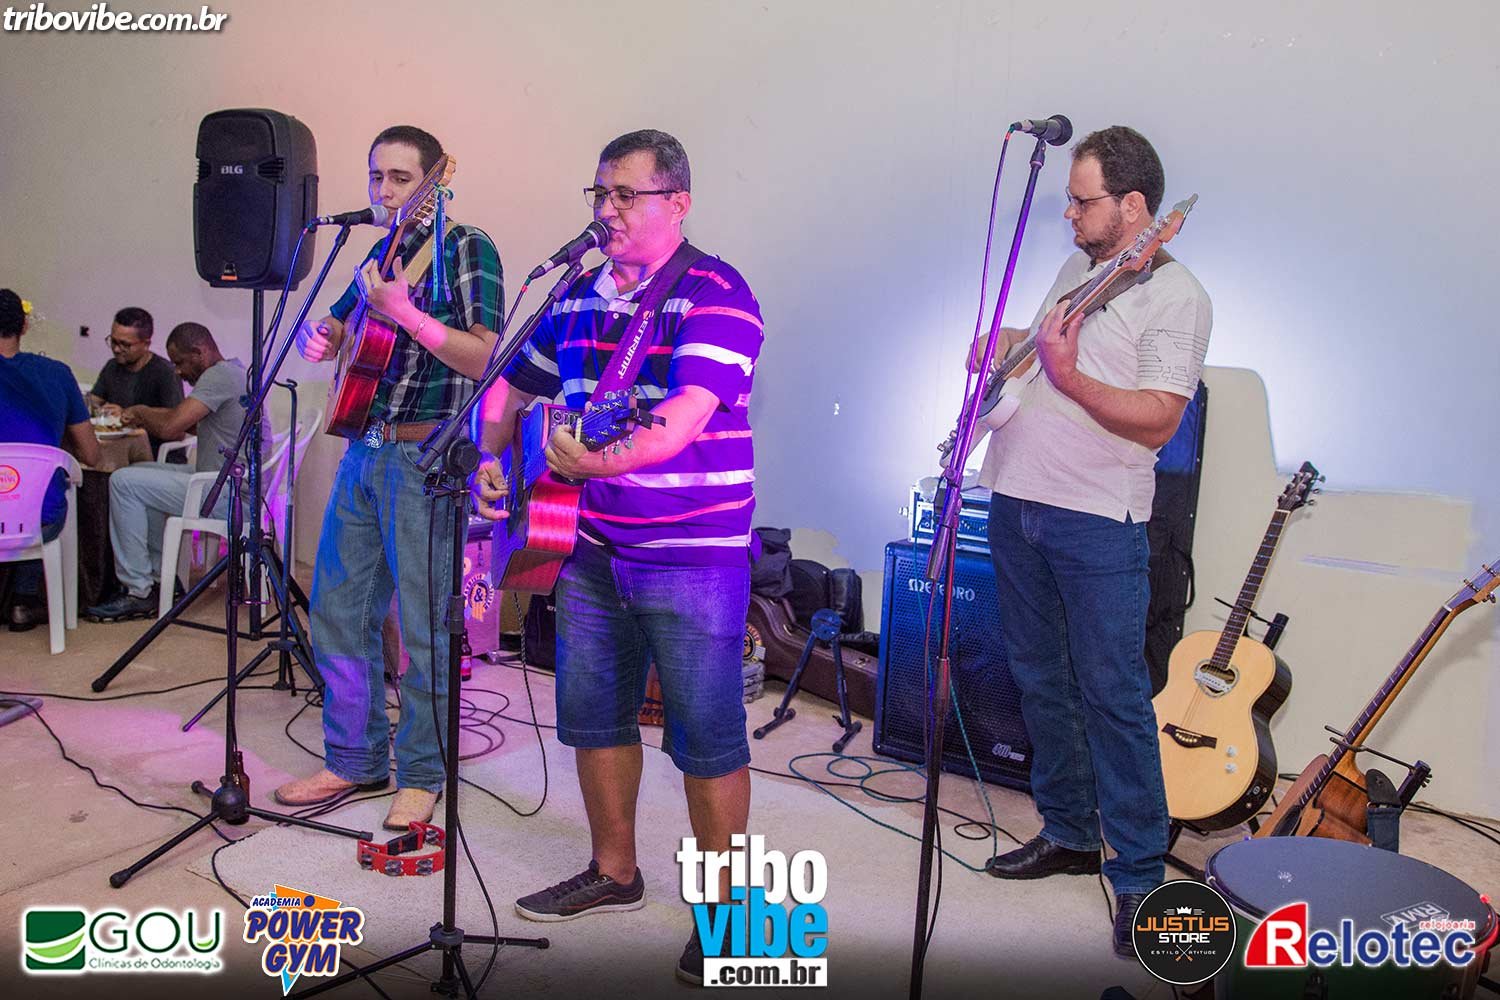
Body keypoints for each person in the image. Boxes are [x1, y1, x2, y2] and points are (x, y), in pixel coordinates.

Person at [473, 129, 764, 986]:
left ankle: (727, 916)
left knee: (707, 735)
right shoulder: (573, 295)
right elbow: (509, 385)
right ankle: (614, 871)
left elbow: (680, 420)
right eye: (599, 194)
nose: (606, 210)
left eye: (625, 195)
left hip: (693, 552)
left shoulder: (718, 293)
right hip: (587, 541)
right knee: (594, 715)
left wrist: (591, 461)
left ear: (678, 203)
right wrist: (491, 455)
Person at [974, 126, 1211, 957]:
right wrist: (1008, 347)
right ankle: (1070, 832)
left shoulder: (1177, 296)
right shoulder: (1079, 268)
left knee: (1114, 697)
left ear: (1134, 205)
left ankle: (1140, 875)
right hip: (1018, 500)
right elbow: (1046, 356)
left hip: (1098, 520)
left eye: (1083, 202)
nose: (1070, 215)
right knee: (1040, 681)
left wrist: (1069, 375)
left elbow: (1159, 418)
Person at [274, 125, 504, 833]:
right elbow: (341, 328)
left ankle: (424, 774)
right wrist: (326, 336)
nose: (383, 190)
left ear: (436, 179)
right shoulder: (378, 255)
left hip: (424, 457)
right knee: (338, 610)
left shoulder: (467, 247)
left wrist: (406, 314)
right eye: (376, 176)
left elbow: (485, 356)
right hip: (363, 452)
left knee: (426, 627)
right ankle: (355, 758)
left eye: (400, 178)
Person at [83, 322, 271, 622]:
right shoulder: (234, 371)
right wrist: (145, 413)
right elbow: (190, 424)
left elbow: (173, 427)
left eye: (180, 362)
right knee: (140, 472)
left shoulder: (218, 376)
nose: (178, 371)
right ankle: (162, 579)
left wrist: (140, 411)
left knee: (122, 481)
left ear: (199, 352)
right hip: (229, 484)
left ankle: (138, 590)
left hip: (229, 495)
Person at [0, 289, 101, 628]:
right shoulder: (57, 373)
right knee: (34, 497)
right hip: (38, 519)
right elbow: (92, 455)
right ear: (24, 326)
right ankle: (24, 600)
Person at [87, 307, 185, 459]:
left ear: (146, 344)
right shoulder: (112, 366)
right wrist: (99, 410)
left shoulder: (165, 372)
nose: (116, 349)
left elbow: (177, 427)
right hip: (116, 450)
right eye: (113, 341)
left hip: (155, 455)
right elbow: (94, 402)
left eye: (125, 344)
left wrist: (128, 415)